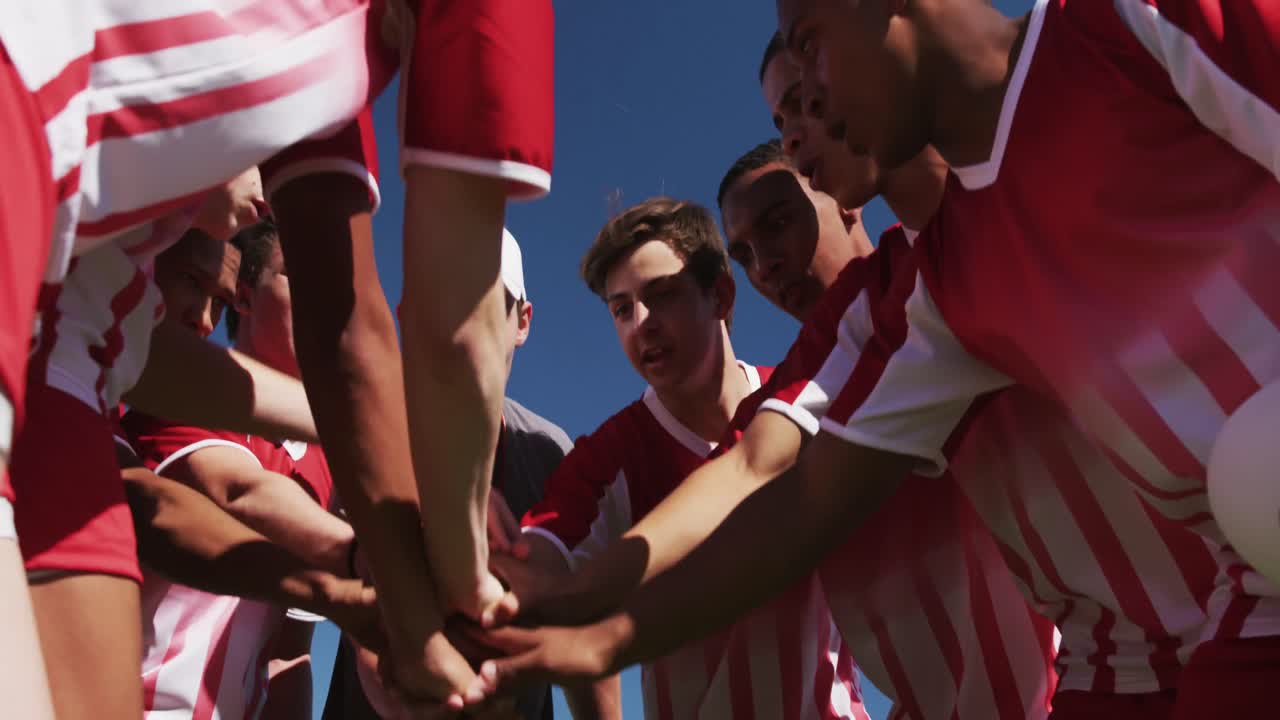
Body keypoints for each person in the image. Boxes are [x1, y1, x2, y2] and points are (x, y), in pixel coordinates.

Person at [478, 2, 1280, 717]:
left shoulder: (1127, 32)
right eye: (782, 111)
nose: (802, 122)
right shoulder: (925, 297)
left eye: (808, 55)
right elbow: (776, 481)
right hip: (1146, 661)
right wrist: (590, 625)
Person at [0, 2, 554, 707]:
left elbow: (163, 361)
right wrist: (458, 571)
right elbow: (441, 327)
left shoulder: (108, 282)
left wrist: (400, 589)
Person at [758, 43, 1224, 718]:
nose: (794, 133)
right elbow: (754, 468)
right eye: (779, 121)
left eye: (803, 99)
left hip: (1235, 601)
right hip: (1114, 670)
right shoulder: (897, 309)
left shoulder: (1085, 112)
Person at [502, 198, 869, 719]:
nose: (641, 324)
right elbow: (541, 559)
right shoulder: (606, 458)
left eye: (661, 296)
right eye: (622, 309)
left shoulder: (805, 392)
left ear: (720, 294)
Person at [330, 228, 573, 720]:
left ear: (522, 321)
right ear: (407, 317)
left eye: (485, 302)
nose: (464, 326)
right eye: (442, 301)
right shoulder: (374, 438)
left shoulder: (553, 455)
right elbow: (363, 615)